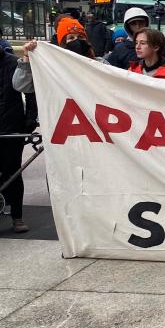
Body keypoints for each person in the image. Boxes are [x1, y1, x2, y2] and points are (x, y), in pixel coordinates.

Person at [0, 38, 36, 233]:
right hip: (10, 126)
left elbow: (30, 92)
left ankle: (17, 216)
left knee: (12, 172)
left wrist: (29, 120)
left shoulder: (14, 63)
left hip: (11, 127)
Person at [13, 17, 97, 94]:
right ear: (63, 44)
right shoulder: (51, 68)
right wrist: (27, 57)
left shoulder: (99, 64)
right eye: (71, 38)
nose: (77, 41)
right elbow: (21, 85)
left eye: (80, 37)